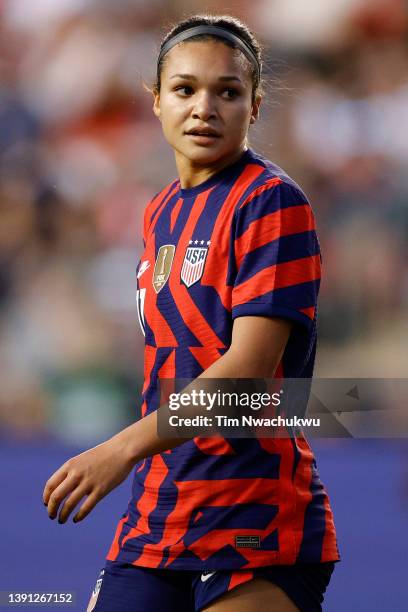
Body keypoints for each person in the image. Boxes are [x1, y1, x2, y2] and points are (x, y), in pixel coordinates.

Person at [43, 14, 340, 612]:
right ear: (155, 102)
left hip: (254, 516)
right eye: (185, 89)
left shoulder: (270, 201)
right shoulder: (159, 214)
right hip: (159, 513)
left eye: (227, 91)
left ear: (254, 107)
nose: (205, 107)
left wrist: (120, 449)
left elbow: (251, 372)